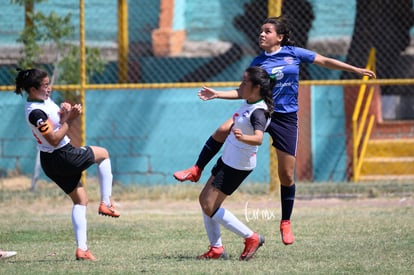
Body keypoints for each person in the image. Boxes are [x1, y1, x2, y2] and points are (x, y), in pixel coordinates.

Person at [174, 16, 376, 246]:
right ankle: (197, 168)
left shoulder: (294, 53)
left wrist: (355, 69)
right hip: (262, 110)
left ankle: (286, 221)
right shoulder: (258, 62)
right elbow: (244, 91)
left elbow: (324, 61)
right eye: (260, 31)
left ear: (279, 37)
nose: (261, 34)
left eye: (267, 31)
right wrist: (217, 94)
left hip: (286, 119)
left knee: (287, 174)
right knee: (223, 128)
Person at [15, 68, 121, 261]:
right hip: (62, 155)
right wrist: (70, 120)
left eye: (49, 84)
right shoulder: (35, 112)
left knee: (80, 200)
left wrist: (65, 113)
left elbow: (56, 124)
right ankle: (106, 203)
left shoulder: (43, 102)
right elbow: (54, 139)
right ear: (32, 89)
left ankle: (82, 250)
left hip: (51, 161)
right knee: (103, 154)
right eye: (45, 86)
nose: (49, 88)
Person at [196, 66, 273, 261]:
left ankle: (251, 237)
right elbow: (237, 94)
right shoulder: (249, 101)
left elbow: (258, 139)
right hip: (228, 159)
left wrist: (243, 137)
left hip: (237, 165)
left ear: (256, 88)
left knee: (208, 204)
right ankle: (216, 249)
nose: (240, 85)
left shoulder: (259, 112)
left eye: (245, 82)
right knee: (205, 201)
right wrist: (217, 94)